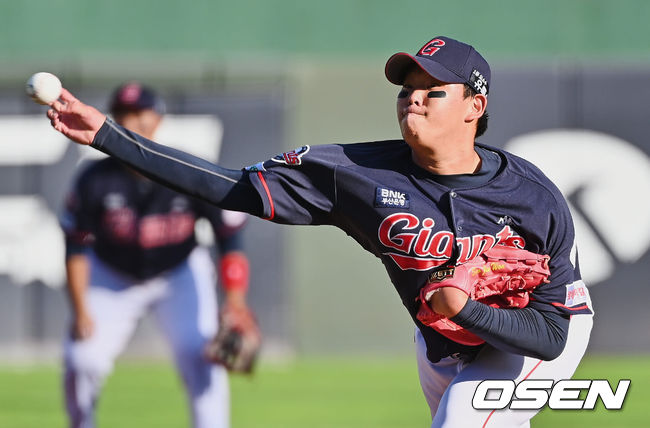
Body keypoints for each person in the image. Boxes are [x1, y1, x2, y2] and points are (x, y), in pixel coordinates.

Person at [47, 36, 593, 428]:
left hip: (531, 333)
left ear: (476, 106)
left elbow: (553, 335)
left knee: (463, 420)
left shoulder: (532, 198)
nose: (413, 96)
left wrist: (467, 309)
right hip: (443, 344)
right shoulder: (356, 176)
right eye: (407, 86)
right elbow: (231, 187)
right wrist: (109, 138)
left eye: (434, 89)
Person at [59, 82, 255, 428]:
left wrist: (236, 302)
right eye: (123, 114)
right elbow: (75, 246)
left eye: (140, 112)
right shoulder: (94, 179)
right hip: (111, 274)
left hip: (179, 273)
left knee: (204, 362)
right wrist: (80, 310)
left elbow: (229, 238)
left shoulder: (186, 169)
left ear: (158, 119)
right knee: (82, 360)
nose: (132, 120)